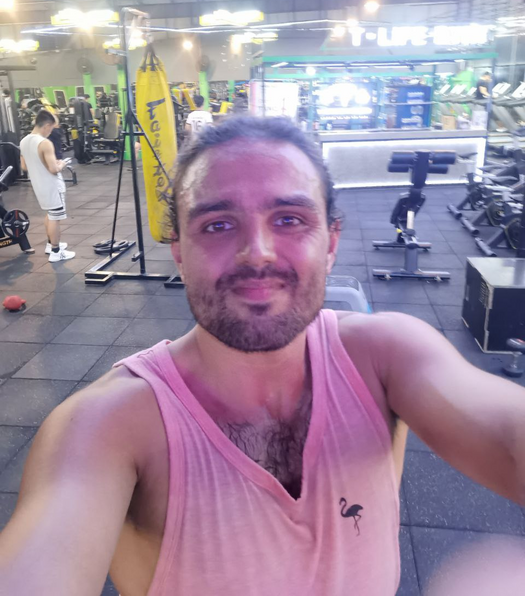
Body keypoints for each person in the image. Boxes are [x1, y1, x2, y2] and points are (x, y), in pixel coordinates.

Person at [1, 116, 524, 595]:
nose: (258, 252)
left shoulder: (386, 357)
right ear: (179, 251)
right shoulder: (108, 426)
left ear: (331, 243)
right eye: (218, 225)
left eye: (290, 219)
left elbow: (507, 434)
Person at [19, 109, 75, 262]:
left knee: (50, 214)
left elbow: (24, 166)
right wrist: (61, 164)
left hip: (38, 186)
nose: (51, 132)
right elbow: (53, 169)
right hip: (52, 185)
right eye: (52, 128)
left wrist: (45, 164)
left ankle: (51, 245)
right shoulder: (45, 143)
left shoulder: (24, 141)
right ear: (47, 125)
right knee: (55, 217)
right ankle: (56, 252)